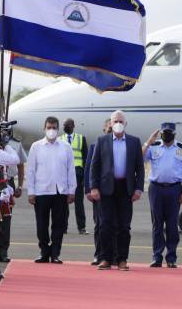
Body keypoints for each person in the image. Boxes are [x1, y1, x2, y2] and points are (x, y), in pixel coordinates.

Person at [90, 110, 144, 271]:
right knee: (105, 225)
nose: (118, 124)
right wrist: (93, 187)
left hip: (125, 189)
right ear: (110, 124)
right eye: (115, 121)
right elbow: (95, 166)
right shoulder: (102, 141)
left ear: (125, 123)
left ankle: (122, 259)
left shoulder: (134, 142)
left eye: (121, 121)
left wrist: (139, 189)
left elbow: (139, 169)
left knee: (124, 226)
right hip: (106, 189)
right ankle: (106, 258)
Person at [27, 116, 76, 264]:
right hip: (41, 191)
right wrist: (31, 191)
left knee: (58, 224)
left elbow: (70, 170)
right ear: (44, 128)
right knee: (42, 225)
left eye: (54, 127)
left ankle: (55, 253)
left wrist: (71, 190)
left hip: (60, 191)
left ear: (58, 129)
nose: (52, 130)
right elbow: (31, 170)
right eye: (49, 127)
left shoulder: (66, 147)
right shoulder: (36, 146)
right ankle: (44, 252)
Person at [143, 122, 182, 268]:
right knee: (157, 224)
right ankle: (157, 256)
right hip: (156, 188)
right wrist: (148, 142)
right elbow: (139, 157)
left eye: (169, 132)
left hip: (174, 189)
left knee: (172, 225)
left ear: (174, 134)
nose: (166, 135)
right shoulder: (154, 146)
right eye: (164, 132)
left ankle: (171, 257)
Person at [0, 127, 28, 262]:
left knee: (6, 218)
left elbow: (20, 165)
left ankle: (3, 251)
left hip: (8, 182)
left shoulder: (15, 144)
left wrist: (20, 185)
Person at [84, 118, 112, 266]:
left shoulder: (122, 145)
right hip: (99, 192)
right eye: (109, 128)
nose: (111, 130)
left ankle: (112, 255)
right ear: (104, 129)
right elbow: (89, 168)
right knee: (99, 224)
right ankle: (99, 254)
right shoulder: (95, 145)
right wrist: (88, 189)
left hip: (116, 192)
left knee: (115, 225)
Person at [61, 118, 88, 234]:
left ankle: (81, 227)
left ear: (73, 125)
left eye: (67, 125)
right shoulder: (59, 139)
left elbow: (85, 158)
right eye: (64, 125)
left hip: (78, 174)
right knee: (63, 203)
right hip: (63, 174)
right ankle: (63, 227)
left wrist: (85, 176)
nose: (65, 126)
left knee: (79, 203)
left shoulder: (81, 138)